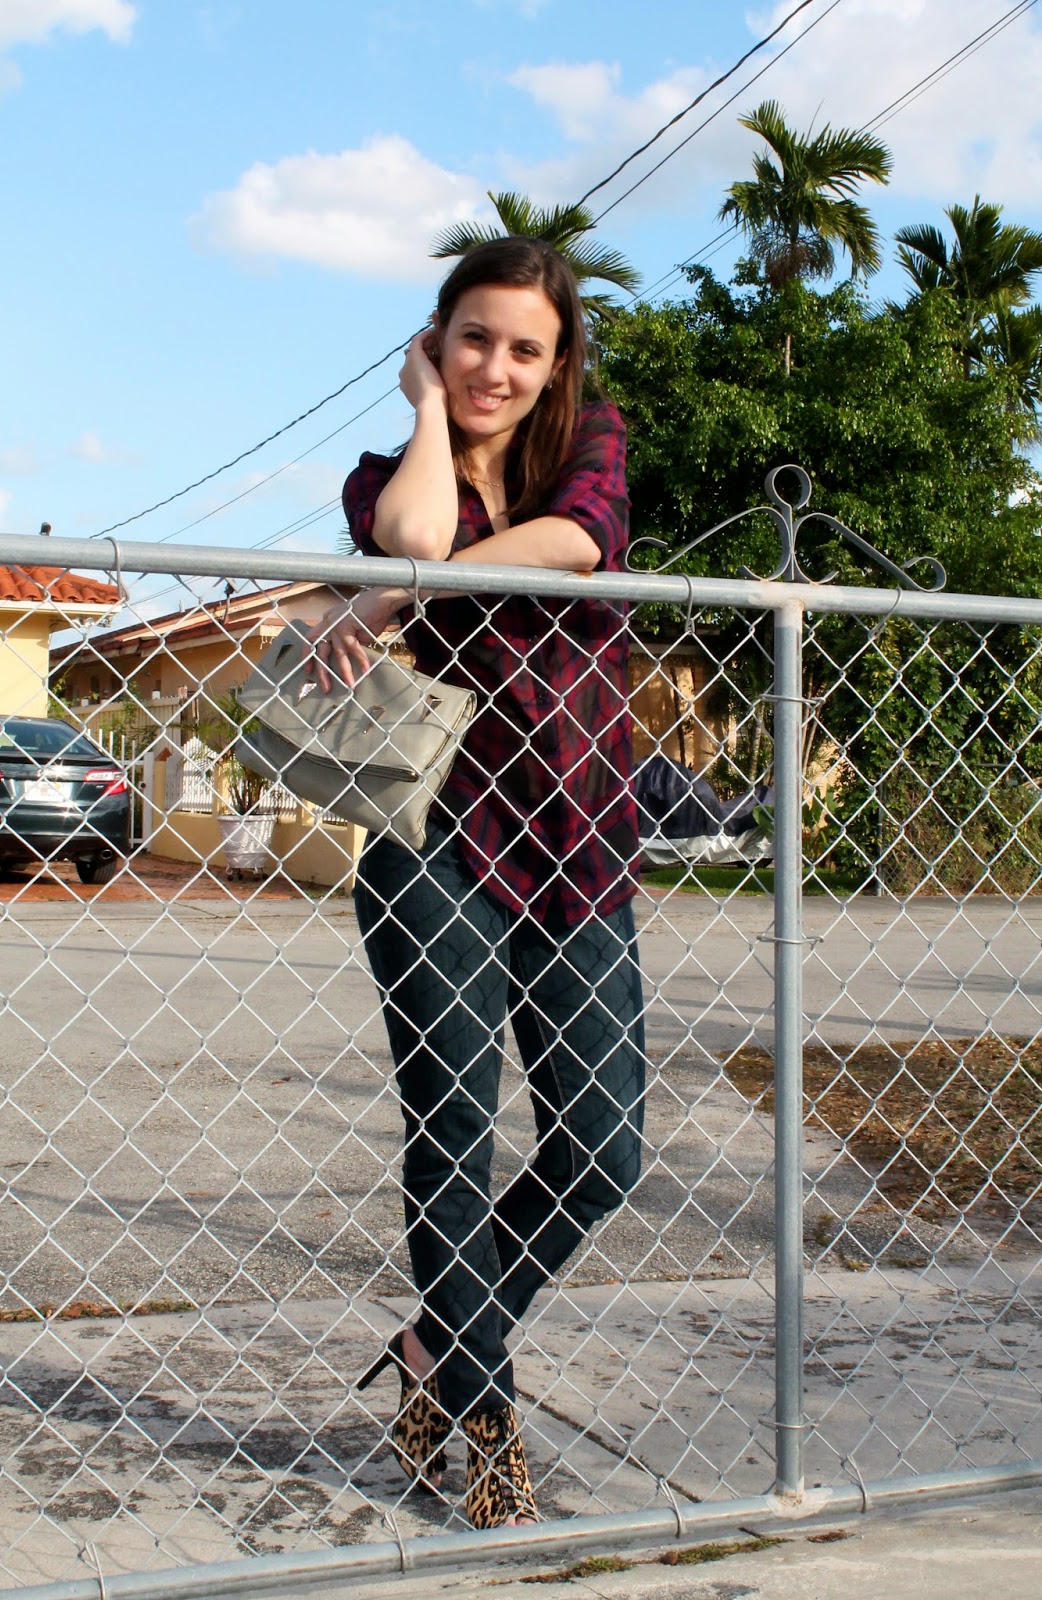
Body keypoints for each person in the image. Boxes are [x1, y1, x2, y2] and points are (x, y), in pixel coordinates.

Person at [308, 236, 646, 1530]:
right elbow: (410, 535)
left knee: (601, 1148)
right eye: (472, 340)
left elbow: (580, 542)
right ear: (435, 342)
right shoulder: (387, 477)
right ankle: (486, 1414)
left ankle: (431, 1344)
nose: (495, 368)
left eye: (524, 348)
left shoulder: (590, 448)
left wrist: (391, 599)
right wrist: (424, 423)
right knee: (452, 1132)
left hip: (582, 845)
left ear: (557, 365)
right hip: (436, 849)